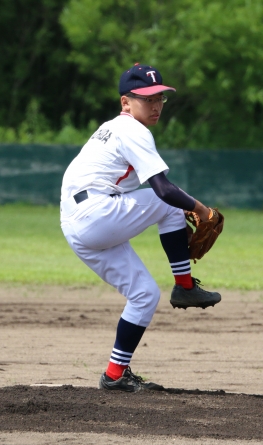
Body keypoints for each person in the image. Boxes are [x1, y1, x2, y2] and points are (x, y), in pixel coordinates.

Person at [59, 63, 221, 393]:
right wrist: (202, 210)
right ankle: (185, 285)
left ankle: (114, 375)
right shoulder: (133, 129)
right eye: (147, 99)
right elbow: (163, 190)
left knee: (144, 295)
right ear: (126, 102)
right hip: (95, 213)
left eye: (160, 97)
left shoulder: (111, 128)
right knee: (169, 203)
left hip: (78, 223)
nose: (156, 105)